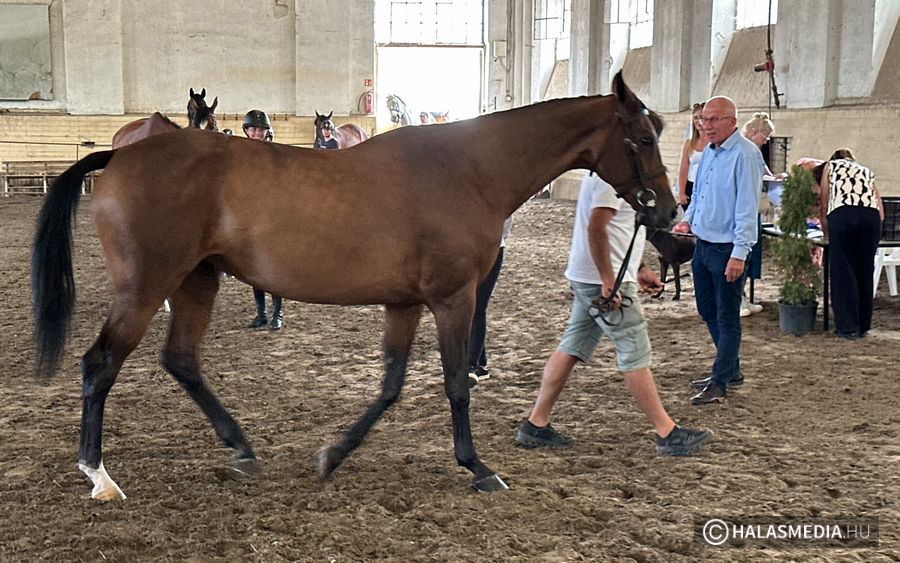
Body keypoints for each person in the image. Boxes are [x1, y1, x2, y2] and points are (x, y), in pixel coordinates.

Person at [515, 172, 713, 456]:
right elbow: (597, 227)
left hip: (596, 275)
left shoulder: (611, 174)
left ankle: (536, 423)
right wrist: (610, 280)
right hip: (604, 279)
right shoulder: (611, 177)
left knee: (573, 344)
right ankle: (667, 432)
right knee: (634, 348)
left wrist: (639, 269)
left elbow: (622, 227)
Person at [673, 96, 765, 405]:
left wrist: (739, 253)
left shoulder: (747, 155)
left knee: (727, 318)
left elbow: (747, 207)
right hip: (703, 244)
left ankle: (721, 382)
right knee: (706, 310)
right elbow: (698, 193)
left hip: (728, 248)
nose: (706, 126)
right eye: (703, 120)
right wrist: (687, 221)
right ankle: (730, 369)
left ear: (732, 121)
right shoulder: (709, 153)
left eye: (713, 120)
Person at [814, 148, 884, 339]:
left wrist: (826, 232)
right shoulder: (865, 170)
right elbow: (880, 207)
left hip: (843, 214)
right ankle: (863, 325)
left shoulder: (831, 166)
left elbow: (825, 199)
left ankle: (847, 328)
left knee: (843, 270)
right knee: (864, 270)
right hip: (870, 218)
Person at [242, 109, 285, 331]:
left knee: (274, 269)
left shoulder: (273, 153)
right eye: (254, 129)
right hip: (250, 216)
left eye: (261, 129)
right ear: (247, 131)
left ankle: (277, 313)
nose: (257, 133)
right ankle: (260, 314)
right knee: (254, 271)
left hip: (271, 215)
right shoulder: (241, 154)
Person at [739, 112, 779, 317]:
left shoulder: (755, 152)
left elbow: (764, 172)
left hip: (754, 209)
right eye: (765, 137)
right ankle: (737, 299)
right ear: (754, 133)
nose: (766, 141)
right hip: (743, 210)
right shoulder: (742, 150)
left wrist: (774, 177)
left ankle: (743, 295)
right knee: (740, 254)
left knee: (750, 255)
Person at [468, 216, 512, 387]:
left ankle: (470, 366)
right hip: (481, 246)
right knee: (474, 306)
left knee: (477, 307)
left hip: (489, 248)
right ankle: (479, 362)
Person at [676, 102, 706, 210]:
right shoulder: (689, 143)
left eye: (701, 117)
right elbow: (683, 169)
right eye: (695, 118)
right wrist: (681, 192)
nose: (698, 121)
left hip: (707, 187)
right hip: (691, 186)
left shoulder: (715, 143)